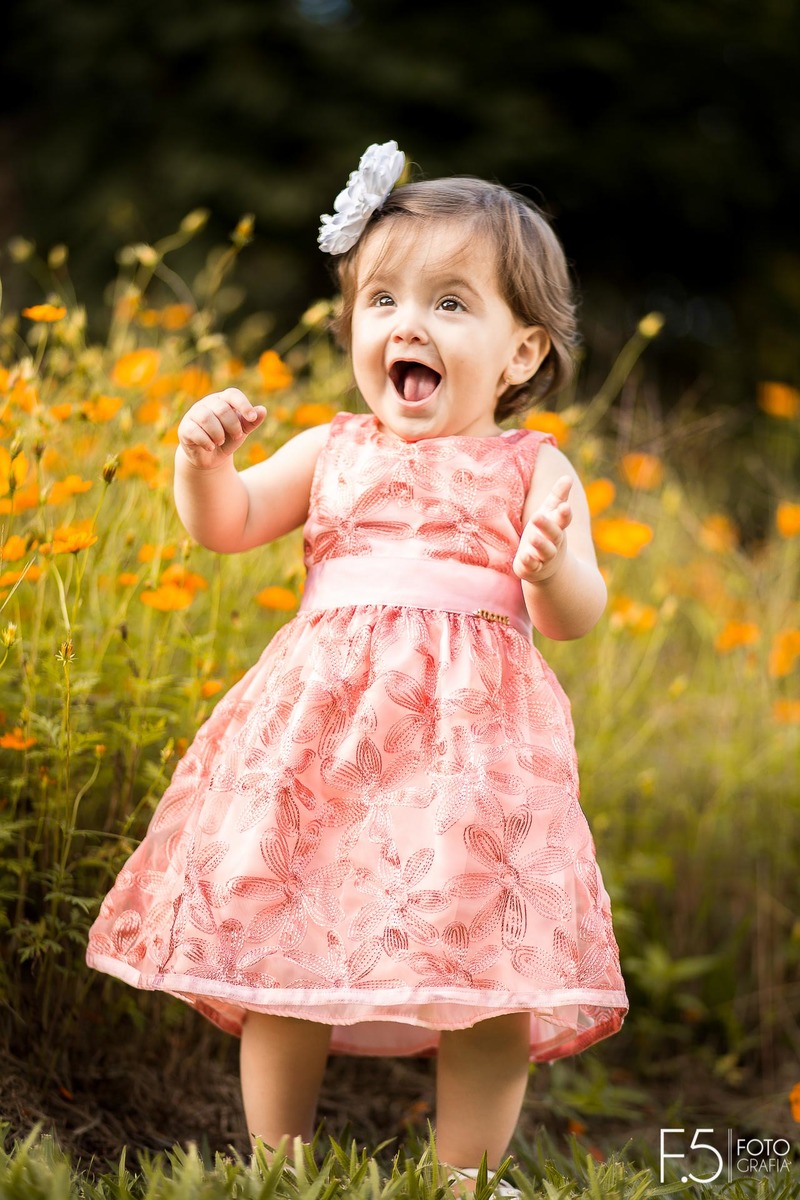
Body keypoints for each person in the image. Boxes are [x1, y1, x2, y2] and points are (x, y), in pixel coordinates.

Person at [86, 141, 628, 1195]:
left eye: (450, 304)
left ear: (520, 355)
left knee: (488, 972)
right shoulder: (331, 448)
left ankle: (461, 1175)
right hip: (323, 745)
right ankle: (273, 1165)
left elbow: (575, 618)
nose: (405, 325)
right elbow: (230, 526)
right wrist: (200, 467)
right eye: (380, 299)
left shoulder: (531, 467)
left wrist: (554, 568)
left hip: (471, 761)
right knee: (285, 948)